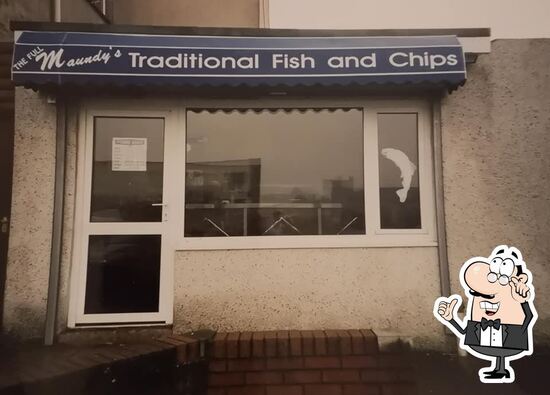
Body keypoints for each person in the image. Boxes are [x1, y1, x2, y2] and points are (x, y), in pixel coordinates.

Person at [434, 245, 537, 383]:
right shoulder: (479, 315)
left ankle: (501, 369)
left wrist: (520, 329)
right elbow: (466, 333)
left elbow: (529, 316)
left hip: (510, 332)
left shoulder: (515, 298)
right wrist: (450, 319)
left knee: (502, 350)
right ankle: (499, 369)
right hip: (487, 335)